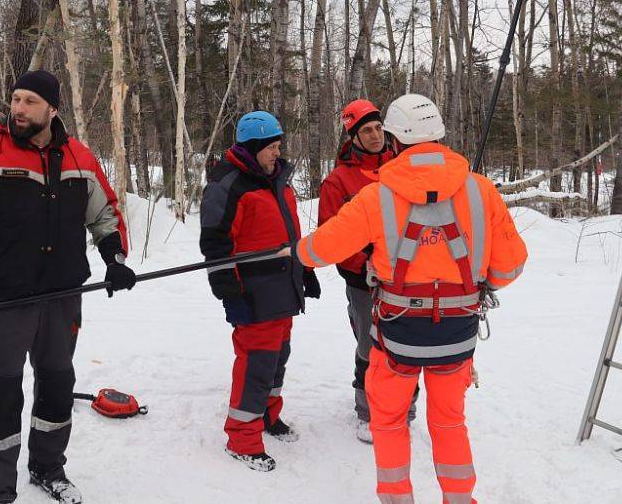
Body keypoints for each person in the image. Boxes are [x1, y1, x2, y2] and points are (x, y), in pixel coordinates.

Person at [293, 94, 528, 503]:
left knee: (388, 422)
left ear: (394, 141)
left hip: (397, 338)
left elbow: (320, 250)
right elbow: (509, 268)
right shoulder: (481, 191)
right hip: (457, 337)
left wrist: (297, 250)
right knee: (450, 422)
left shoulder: (376, 195)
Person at [0, 70, 135, 504]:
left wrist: (114, 260)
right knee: (2, 392)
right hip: (3, 296)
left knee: (58, 383)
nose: (18, 109)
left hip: (62, 296)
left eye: (29, 101)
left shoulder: (80, 157)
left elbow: (106, 214)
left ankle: (48, 467)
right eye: (15, 99)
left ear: (52, 109)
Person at [199, 111, 320, 472]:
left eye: (278, 145)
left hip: (284, 288)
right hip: (253, 292)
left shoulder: (279, 181)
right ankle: (242, 437)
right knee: (256, 364)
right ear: (251, 149)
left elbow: (292, 235)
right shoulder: (230, 185)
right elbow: (216, 244)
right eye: (270, 147)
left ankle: (268, 415)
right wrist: (229, 292)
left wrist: (306, 272)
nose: (276, 153)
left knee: (278, 357)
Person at [319, 99, 406, 445]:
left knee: (405, 344)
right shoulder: (338, 181)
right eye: (365, 130)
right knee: (370, 346)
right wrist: (365, 263)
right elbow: (331, 234)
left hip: (404, 277)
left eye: (377, 127)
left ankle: (404, 408)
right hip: (363, 281)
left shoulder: (401, 168)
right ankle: (367, 411)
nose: (374, 135)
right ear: (352, 136)